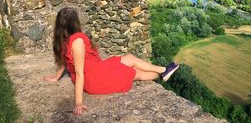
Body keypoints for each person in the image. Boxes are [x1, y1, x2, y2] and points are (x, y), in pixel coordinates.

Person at [43, 7, 179, 116]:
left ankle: (163, 70)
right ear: (75, 22)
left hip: (98, 69)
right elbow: (79, 73)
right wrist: (78, 103)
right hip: (95, 78)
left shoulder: (62, 39)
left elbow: (63, 61)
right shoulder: (77, 41)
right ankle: (163, 73)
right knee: (134, 72)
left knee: (130, 58)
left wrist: (57, 77)